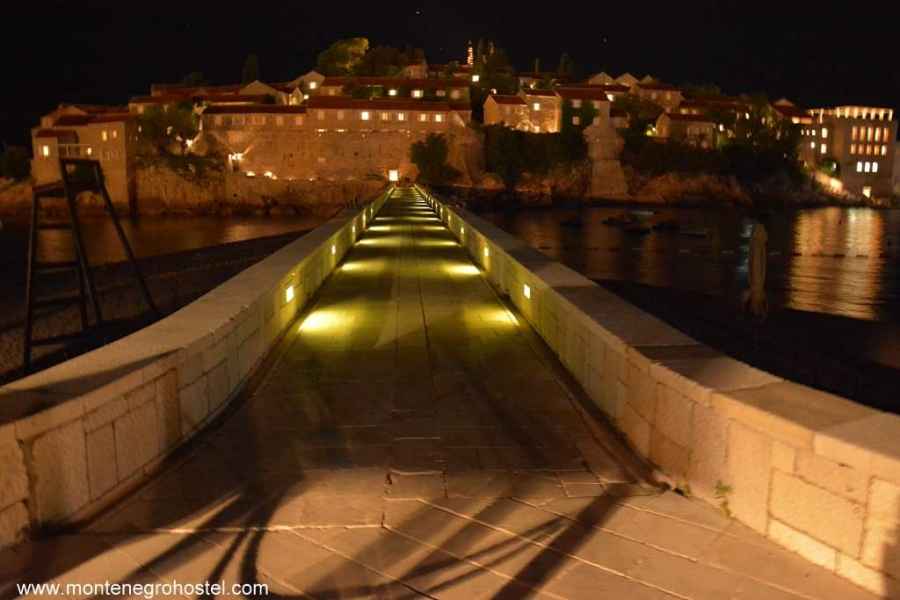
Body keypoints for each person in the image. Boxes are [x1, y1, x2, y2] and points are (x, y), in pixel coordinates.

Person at [743, 215, 769, 322]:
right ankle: (758, 316)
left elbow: (755, 264)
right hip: (756, 285)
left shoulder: (756, 243)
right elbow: (757, 265)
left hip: (756, 285)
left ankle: (757, 315)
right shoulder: (758, 245)